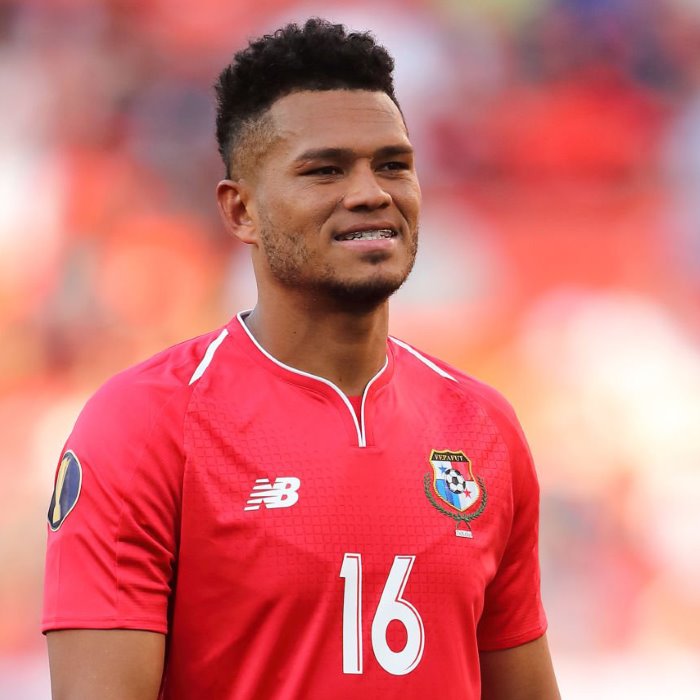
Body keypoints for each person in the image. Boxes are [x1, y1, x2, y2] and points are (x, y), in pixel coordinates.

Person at [43, 18, 560, 700]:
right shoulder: (146, 425)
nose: (372, 192)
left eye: (393, 164)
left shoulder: (483, 427)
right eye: (325, 170)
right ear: (240, 211)